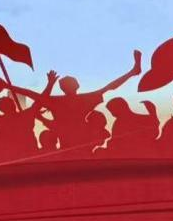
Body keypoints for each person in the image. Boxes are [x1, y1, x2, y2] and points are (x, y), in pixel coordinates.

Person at [8, 51, 142, 151]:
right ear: (77, 85)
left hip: (76, 142)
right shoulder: (76, 100)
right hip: (71, 143)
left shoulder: (68, 101)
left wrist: (9, 86)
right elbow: (110, 87)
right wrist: (132, 72)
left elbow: (33, 95)